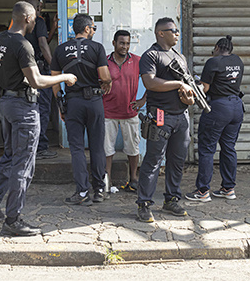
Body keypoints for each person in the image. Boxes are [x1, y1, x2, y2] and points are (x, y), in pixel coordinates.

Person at [0, 2, 76, 236]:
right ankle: (12, 220)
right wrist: (65, 77)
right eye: (35, 18)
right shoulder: (23, 45)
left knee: (9, 157)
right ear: (29, 18)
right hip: (23, 108)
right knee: (23, 164)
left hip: (5, 104)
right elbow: (36, 81)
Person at [136, 17, 195, 223]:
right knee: (153, 161)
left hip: (181, 116)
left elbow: (188, 83)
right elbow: (150, 83)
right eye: (173, 31)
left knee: (177, 161)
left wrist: (188, 96)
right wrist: (178, 84)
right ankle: (144, 204)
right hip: (160, 116)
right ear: (160, 33)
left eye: (178, 31)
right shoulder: (150, 55)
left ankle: (171, 199)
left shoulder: (179, 56)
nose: (177, 34)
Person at [51, 14, 112, 206]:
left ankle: (82, 191)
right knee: (97, 146)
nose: (94, 31)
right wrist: (107, 83)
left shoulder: (60, 49)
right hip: (94, 101)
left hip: (73, 102)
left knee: (76, 148)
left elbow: (55, 79)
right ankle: (100, 190)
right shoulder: (97, 48)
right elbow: (104, 76)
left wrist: (60, 103)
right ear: (86, 29)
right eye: (92, 28)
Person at [185, 35, 244, 202]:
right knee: (229, 147)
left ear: (217, 48)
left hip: (218, 108)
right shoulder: (238, 61)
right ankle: (228, 188)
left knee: (207, 149)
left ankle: (203, 191)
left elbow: (205, 88)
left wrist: (194, 86)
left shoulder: (213, 62)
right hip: (236, 107)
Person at [103, 30, 146, 193]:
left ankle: (133, 179)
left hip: (130, 113)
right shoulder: (105, 62)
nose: (125, 46)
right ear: (114, 43)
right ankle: (107, 180)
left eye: (128, 43)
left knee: (133, 148)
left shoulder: (137, 61)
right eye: (122, 43)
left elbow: (151, 79)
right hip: (108, 113)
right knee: (107, 149)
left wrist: (143, 100)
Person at [24, 0, 57, 160]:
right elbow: (43, 45)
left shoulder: (19, 22)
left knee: (29, 109)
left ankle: (28, 146)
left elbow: (41, 41)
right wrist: (54, 68)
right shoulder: (39, 20)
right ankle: (41, 147)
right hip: (39, 71)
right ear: (38, 8)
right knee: (43, 109)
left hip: (24, 72)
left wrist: (53, 29)